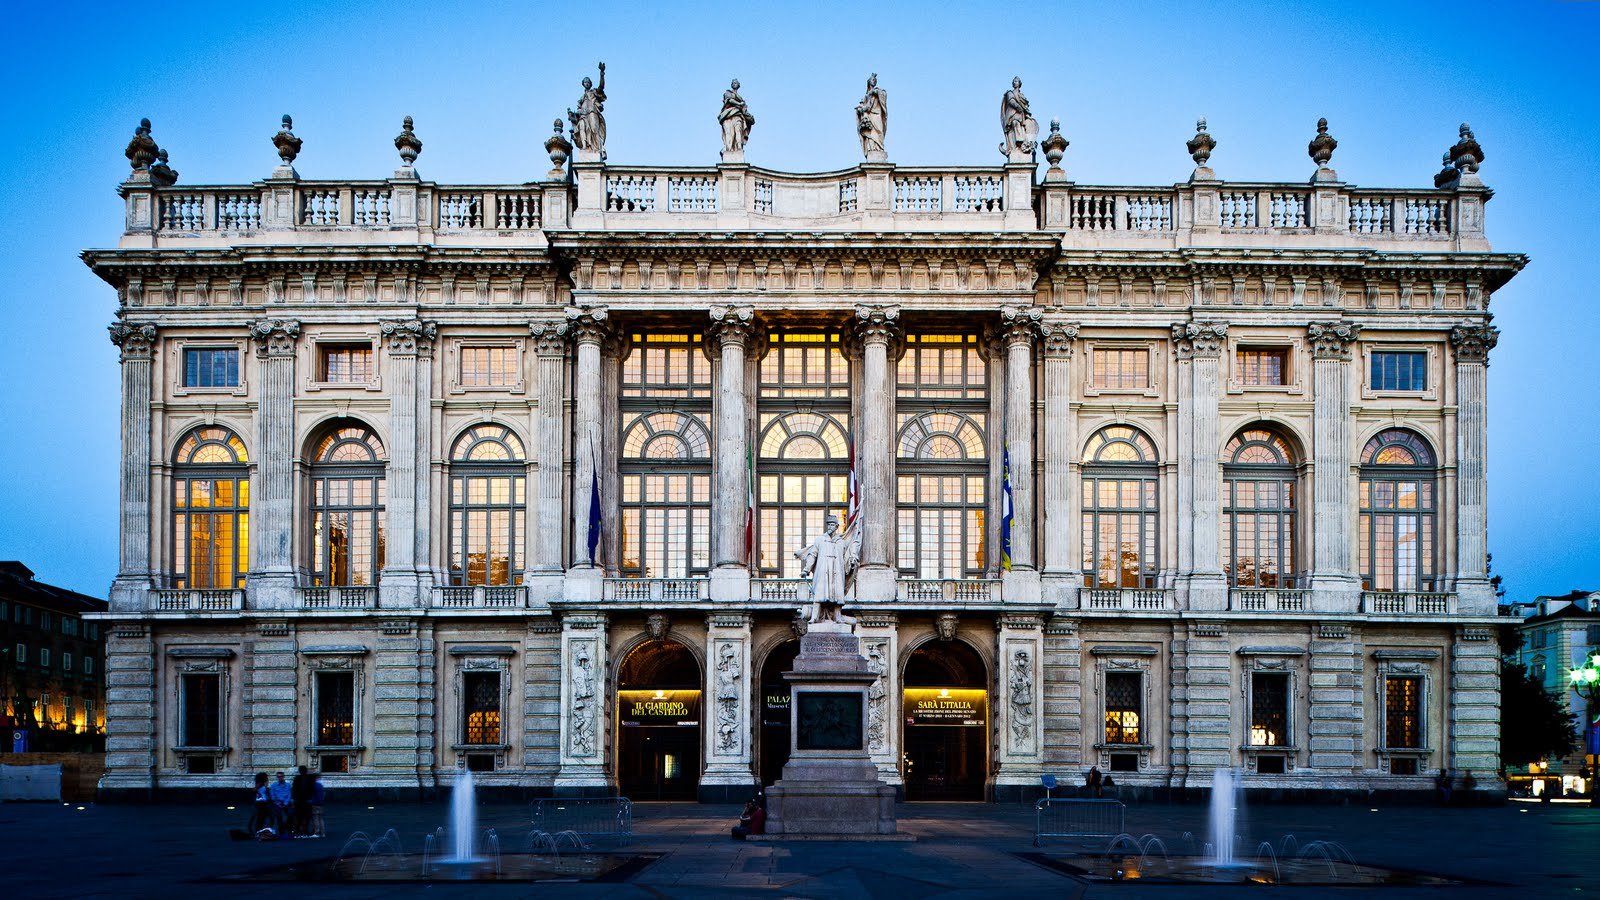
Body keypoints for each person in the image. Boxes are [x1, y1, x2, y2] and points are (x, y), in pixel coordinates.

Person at [248, 772, 275, 837]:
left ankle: (262, 830)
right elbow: (254, 790)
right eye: (266, 777)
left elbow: (265, 793)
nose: (267, 778)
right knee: (260, 817)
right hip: (260, 803)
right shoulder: (259, 784)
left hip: (264, 802)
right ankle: (258, 831)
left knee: (267, 817)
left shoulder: (263, 785)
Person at [291, 765, 314, 837]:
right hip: (306, 800)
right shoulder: (309, 778)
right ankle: (304, 831)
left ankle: (298, 831)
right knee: (305, 817)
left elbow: (294, 789)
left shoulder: (297, 778)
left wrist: (294, 799)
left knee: (298, 816)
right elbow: (311, 789)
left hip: (298, 800)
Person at [268, 771, 293, 835]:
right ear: (277, 777)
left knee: (291, 814)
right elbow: (272, 796)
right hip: (277, 802)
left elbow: (289, 795)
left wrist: (285, 803)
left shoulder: (288, 785)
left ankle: (286, 826)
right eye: (278, 777)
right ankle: (281, 830)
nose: (280, 778)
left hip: (286, 802)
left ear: (283, 777)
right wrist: (278, 803)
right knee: (279, 816)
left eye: (281, 776)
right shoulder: (273, 785)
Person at [308, 773, 327, 838]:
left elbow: (311, 794)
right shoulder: (320, 785)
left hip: (315, 803)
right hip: (321, 803)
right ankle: (323, 833)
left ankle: (317, 832)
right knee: (321, 818)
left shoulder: (313, 785)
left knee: (315, 818)